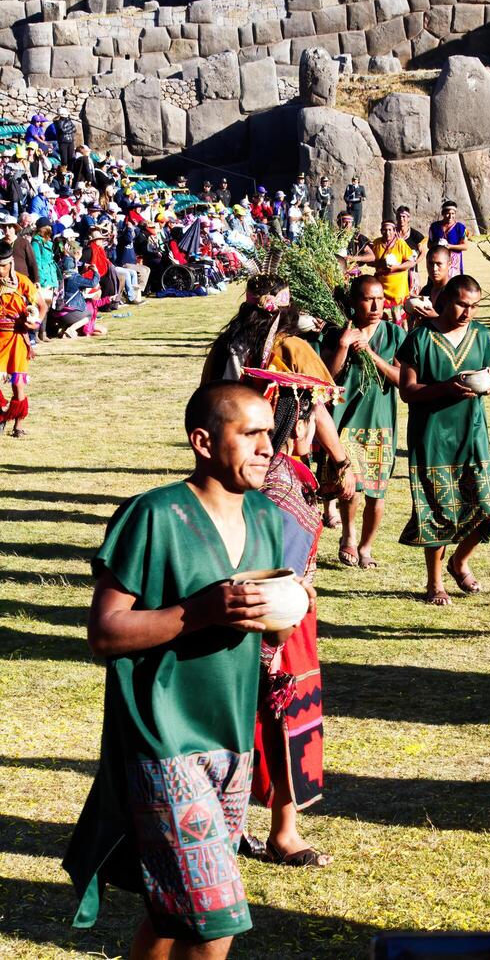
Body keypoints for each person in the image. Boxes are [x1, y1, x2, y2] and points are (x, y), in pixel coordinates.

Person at [63, 381, 315, 958]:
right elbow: (104, 633)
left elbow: (272, 632)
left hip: (229, 736)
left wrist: (284, 606)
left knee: (177, 913)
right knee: (215, 918)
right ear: (203, 441)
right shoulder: (153, 514)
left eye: (269, 435)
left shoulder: (267, 517)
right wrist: (197, 613)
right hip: (162, 737)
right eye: (250, 435)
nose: (266, 448)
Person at [240, 368, 340, 868]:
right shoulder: (279, 482)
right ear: (293, 420)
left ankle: (245, 822)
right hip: (277, 621)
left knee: (256, 722)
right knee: (276, 721)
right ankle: (283, 829)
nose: (319, 424)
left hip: (287, 613)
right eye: (313, 414)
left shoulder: (289, 474)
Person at [201, 275, 356, 501]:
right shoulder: (294, 348)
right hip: (280, 458)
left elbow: (205, 399)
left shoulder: (225, 346)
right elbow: (318, 411)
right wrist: (342, 463)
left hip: (227, 452)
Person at [398, 275, 490, 605]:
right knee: (437, 512)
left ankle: (460, 562)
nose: (468, 312)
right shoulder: (420, 338)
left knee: (487, 507)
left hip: (472, 433)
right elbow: (408, 392)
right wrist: (445, 387)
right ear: (444, 300)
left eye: (474, 306)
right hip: (432, 435)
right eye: (462, 304)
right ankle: (434, 583)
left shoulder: (482, 336)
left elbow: (487, 371)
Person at [322, 275, 405, 569]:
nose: (375, 305)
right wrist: (344, 347)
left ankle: (366, 546)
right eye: (368, 299)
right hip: (346, 421)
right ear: (354, 303)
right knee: (351, 486)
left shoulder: (395, 335)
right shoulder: (336, 333)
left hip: (380, 424)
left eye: (380, 299)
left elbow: (401, 380)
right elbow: (325, 380)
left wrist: (370, 353)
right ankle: (348, 534)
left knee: (377, 492)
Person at [0, 240, 40, 437]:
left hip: (17, 337)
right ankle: (1, 414)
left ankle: (18, 425)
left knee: (18, 383)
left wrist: (35, 322)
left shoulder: (22, 281)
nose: (0, 270)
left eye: (2, 265)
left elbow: (40, 305)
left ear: (10, 264)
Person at [371, 219, 414, 325]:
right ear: (381, 231)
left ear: (395, 231)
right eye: (385, 230)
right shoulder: (376, 243)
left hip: (397, 287)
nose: (387, 232)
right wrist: (380, 264)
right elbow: (370, 262)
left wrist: (396, 268)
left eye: (390, 230)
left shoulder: (400, 243)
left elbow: (411, 262)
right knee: (381, 314)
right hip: (382, 285)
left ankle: (399, 336)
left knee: (397, 314)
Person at [427, 200, 469, 277]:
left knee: (454, 286)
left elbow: (465, 246)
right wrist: (437, 244)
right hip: (438, 262)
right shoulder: (434, 227)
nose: (450, 216)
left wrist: (450, 246)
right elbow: (429, 245)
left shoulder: (460, 228)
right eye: (448, 213)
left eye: (453, 213)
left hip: (454, 264)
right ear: (443, 213)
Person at [396, 205, 427, 295]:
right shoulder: (392, 233)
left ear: (408, 218)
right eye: (399, 217)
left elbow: (423, 252)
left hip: (411, 272)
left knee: (411, 298)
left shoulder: (416, 235)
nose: (401, 219)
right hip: (395, 271)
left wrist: (414, 262)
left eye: (404, 217)